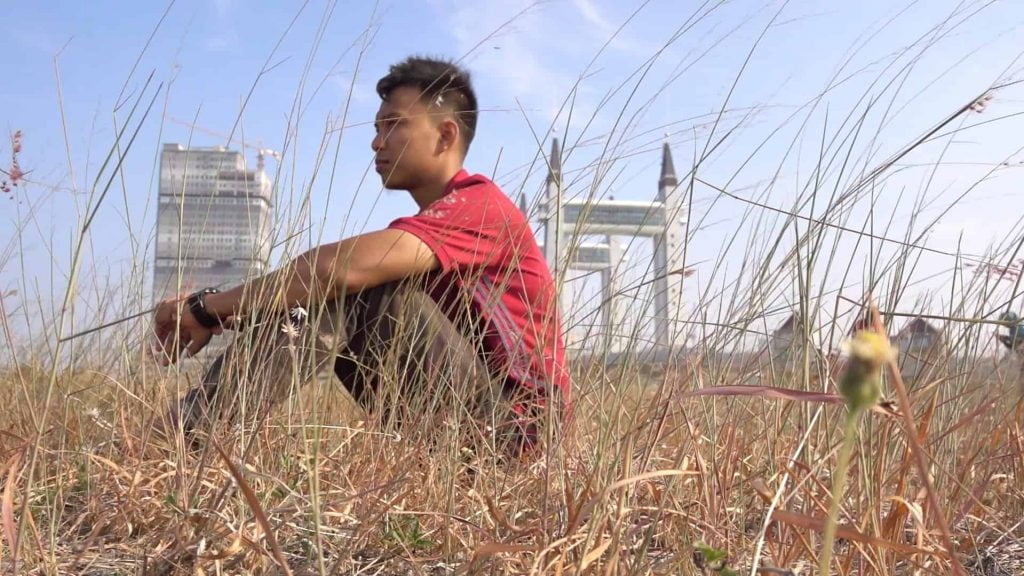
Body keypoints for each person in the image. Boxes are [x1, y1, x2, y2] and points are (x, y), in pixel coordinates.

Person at [153, 56, 570, 456]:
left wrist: (205, 308)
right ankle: (185, 438)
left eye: (394, 126)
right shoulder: (434, 228)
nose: (376, 142)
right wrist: (230, 312)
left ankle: (182, 439)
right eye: (377, 127)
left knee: (352, 288)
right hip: (477, 421)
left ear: (445, 136)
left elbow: (334, 273)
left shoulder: (480, 206)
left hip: (518, 432)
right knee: (335, 287)